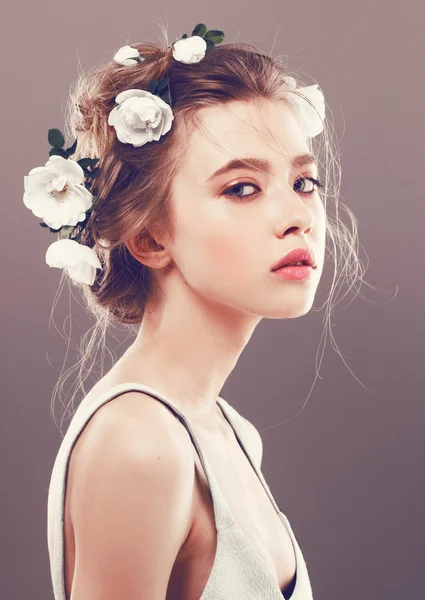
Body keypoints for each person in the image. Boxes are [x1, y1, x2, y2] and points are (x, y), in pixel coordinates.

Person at [24, 21, 361, 600]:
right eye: (242, 188)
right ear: (151, 238)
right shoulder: (139, 446)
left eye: (305, 181)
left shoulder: (230, 433)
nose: (298, 216)